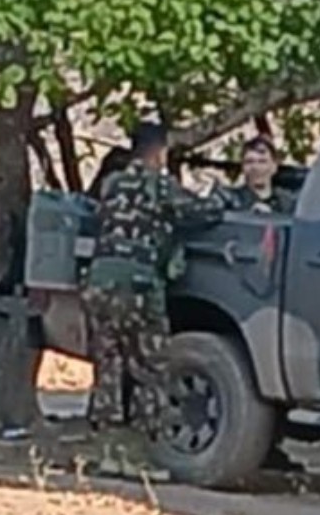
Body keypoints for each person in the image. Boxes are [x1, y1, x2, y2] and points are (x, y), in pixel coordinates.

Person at [83, 120, 226, 452]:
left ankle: (107, 448)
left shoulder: (112, 184)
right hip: (138, 286)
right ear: (160, 152)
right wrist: (220, 194)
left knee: (108, 362)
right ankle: (140, 450)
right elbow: (205, 212)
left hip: (99, 282)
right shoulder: (160, 186)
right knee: (150, 366)